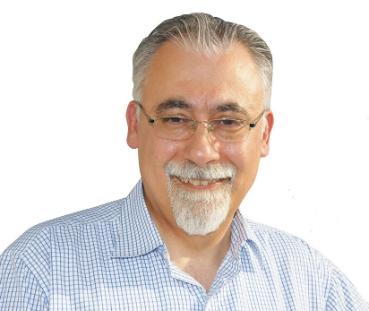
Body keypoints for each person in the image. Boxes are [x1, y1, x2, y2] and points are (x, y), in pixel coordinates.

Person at [0, 12, 367, 310]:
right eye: (175, 119)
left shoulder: (312, 284)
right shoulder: (40, 271)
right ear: (134, 125)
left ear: (265, 135)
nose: (202, 151)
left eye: (228, 122)